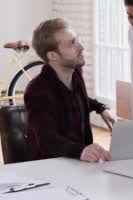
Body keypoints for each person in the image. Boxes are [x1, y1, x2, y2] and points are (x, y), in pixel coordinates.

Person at [25, 18, 115, 162]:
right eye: (72, 43)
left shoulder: (75, 71)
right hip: (50, 168)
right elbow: (47, 140)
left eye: (77, 40)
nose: (81, 47)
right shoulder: (37, 91)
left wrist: (101, 108)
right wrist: (81, 150)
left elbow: (77, 99)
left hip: (79, 163)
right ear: (53, 56)